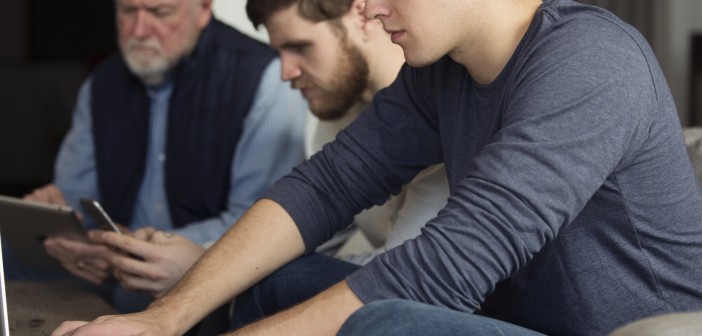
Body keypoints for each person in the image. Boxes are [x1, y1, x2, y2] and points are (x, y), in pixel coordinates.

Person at [52, 0, 702, 335]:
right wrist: (159, 319)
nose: (363, 10)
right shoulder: (437, 78)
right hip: (515, 327)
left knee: (387, 323)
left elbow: (444, 271)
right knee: (275, 279)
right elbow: (322, 187)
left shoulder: (590, 60)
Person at [12, 0, 307, 315]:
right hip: (109, 257)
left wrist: (140, 246)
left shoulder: (265, 79)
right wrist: (59, 222)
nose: (139, 30)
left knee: (141, 291)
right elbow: (73, 196)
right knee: (10, 254)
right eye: (128, 11)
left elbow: (257, 224)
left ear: (204, 10)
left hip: (192, 264)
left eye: (160, 12)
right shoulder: (102, 82)